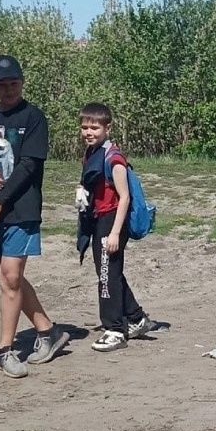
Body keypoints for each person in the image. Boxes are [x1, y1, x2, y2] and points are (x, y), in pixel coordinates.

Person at [0, 55, 68, 378]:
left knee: (11, 278)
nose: (9, 89)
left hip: (20, 209)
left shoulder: (34, 117)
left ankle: (4, 350)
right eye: (2, 85)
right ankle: (47, 330)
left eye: (14, 83)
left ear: (22, 83)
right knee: (6, 279)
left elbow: (28, 166)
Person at [76, 102, 153, 352]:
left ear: (107, 128)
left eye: (94, 128)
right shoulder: (91, 153)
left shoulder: (114, 158)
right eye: (85, 127)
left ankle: (115, 330)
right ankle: (136, 318)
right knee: (110, 272)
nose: (89, 132)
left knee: (107, 275)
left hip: (112, 221)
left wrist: (115, 233)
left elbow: (125, 197)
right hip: (98, 219)